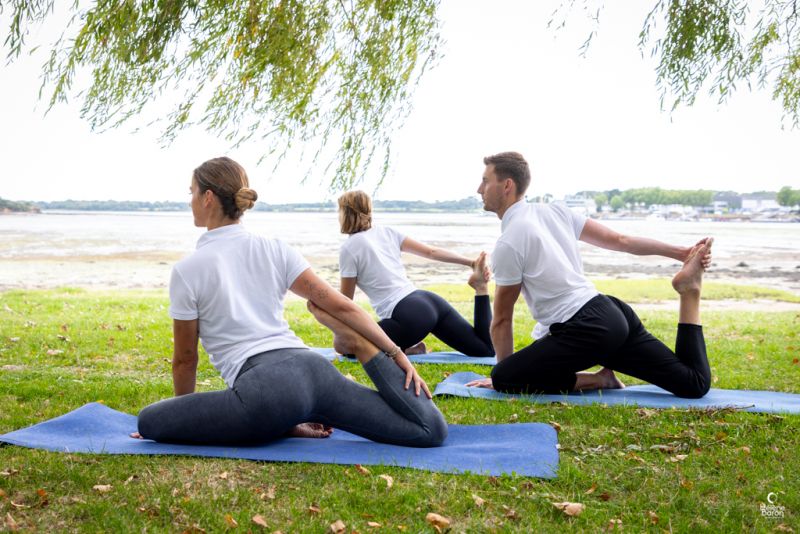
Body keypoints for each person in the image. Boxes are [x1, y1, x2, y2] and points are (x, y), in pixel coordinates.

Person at [134, 157, 447, 447]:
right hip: (314, 371)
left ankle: (282, 419)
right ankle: (359, 346)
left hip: (264, 393)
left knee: (150, 421)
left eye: (191, 193)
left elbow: (186, 360)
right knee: (429, 429)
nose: (190, 201)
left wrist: (180, 416)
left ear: (208, 198)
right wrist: (392, 353)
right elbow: (343, 306)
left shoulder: (188, 270)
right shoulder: (275, 249)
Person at [466, 152, 713, 398]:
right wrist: (681, 253)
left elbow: (502, 320)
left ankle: (597, 380)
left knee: (505, 377)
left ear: (507, 185)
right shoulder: (555, 211)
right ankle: (690, 292)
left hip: (587, 328)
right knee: (693, 383)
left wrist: (505, 374)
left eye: (486, 181)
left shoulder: (508, 243)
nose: (480, 189)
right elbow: (620, 241)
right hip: (612, 314)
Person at [337, 190, 494, 357]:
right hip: (429, 301)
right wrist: (471, 263)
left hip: (408, 318)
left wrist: (339, 331)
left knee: (344, 346)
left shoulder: (349, 248)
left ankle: (406, 348)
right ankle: (481, 288)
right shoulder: (387, 232)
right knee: (485, 349)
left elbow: (345, 303)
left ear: (345, 213)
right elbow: (431, 252)